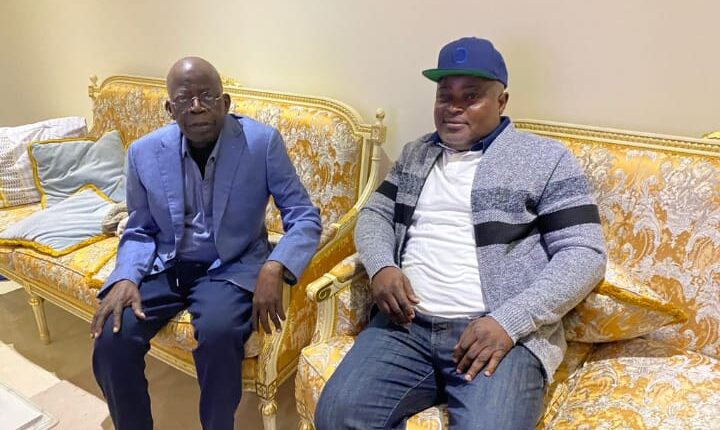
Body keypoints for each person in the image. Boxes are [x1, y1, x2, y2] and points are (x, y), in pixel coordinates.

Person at [314, 37, 607, 429]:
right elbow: (375, 214)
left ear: (501, 101)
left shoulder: (545, 159)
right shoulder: (416, 154)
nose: (454, 107)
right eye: (444, 95)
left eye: (471, 96)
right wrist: (382, 266)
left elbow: (585, 253)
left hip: (495, 334)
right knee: (338, 415)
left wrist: (510, 321)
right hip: (405, 327)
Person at [91, 57, 322, 430]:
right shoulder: (143, 153)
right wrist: (126, 276)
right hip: (166, 264)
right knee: (111, 336)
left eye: (207, 96)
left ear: (225, 102)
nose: (197, 106)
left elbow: (304, 216)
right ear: (170, 109)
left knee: (218, 334)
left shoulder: (261, 143)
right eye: (184, 99)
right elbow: (139, 228)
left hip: (230, 266)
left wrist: (275, 265)